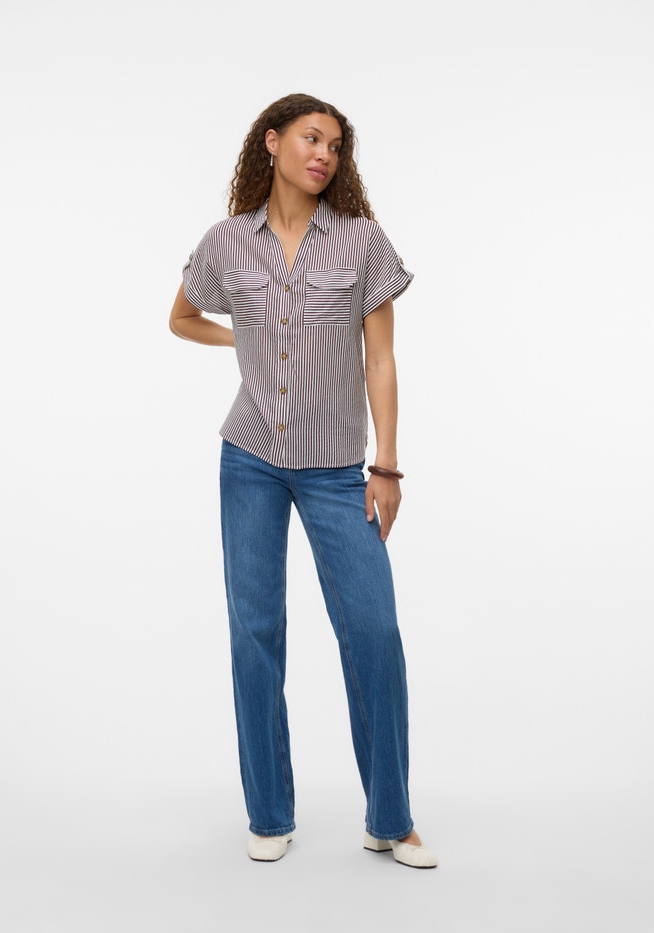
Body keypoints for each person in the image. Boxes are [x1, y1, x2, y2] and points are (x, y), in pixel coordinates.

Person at [169, 92, 437, 869]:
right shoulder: (226, 242)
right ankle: (268, 811)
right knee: (255, 634)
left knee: (375, 632)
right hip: (249, 456)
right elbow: (181, 317)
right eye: (312, 138)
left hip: (336, 468)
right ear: (272, 140)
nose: (325, 154)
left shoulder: (361, 241)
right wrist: (243, 342)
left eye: (336, 146)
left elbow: (380, 358)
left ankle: (390, 817)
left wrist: (387, 464)